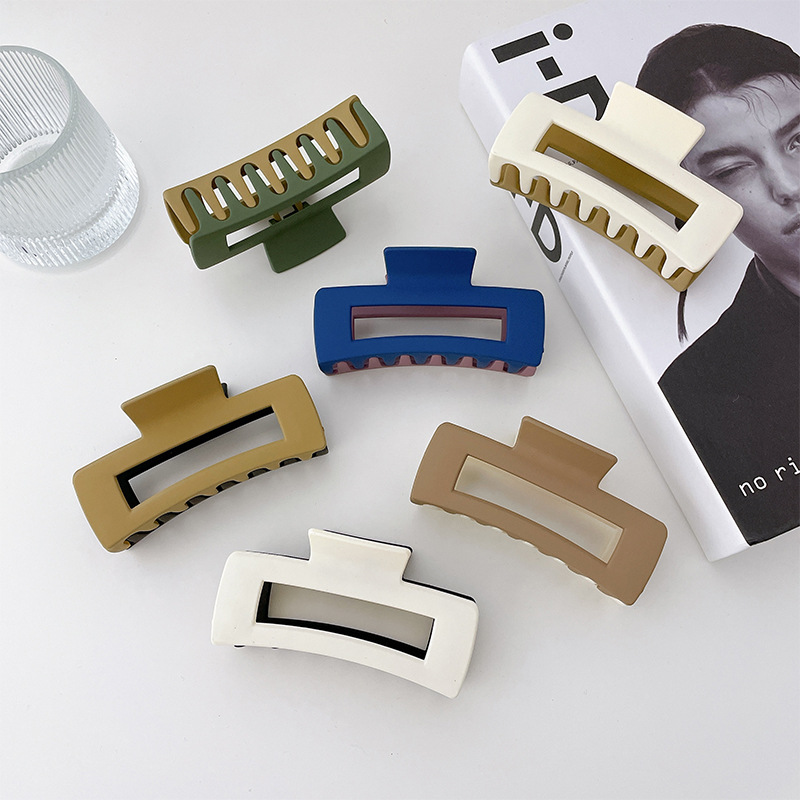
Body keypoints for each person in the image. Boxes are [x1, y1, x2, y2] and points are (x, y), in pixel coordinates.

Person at [636, 24, 800, 544]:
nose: (789, 186)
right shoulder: (699, 397)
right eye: (732, 170)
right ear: (694, 203)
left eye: (799, 141)